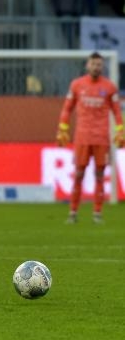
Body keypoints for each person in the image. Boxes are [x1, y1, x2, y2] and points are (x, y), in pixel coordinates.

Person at [56, 52, 124, 224]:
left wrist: (120, 130)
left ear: (103, 67)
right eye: (93, 64)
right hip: (82, 137)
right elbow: (67, 108)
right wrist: (63, 128)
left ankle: (97, 213)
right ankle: (73, 213)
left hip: (101, 138)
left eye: (99, 64)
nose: (96, 67)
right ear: (87, 65)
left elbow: (116, 111)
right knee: (78, 174)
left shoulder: (109, 87)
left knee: (100, 176)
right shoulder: (77, 85)